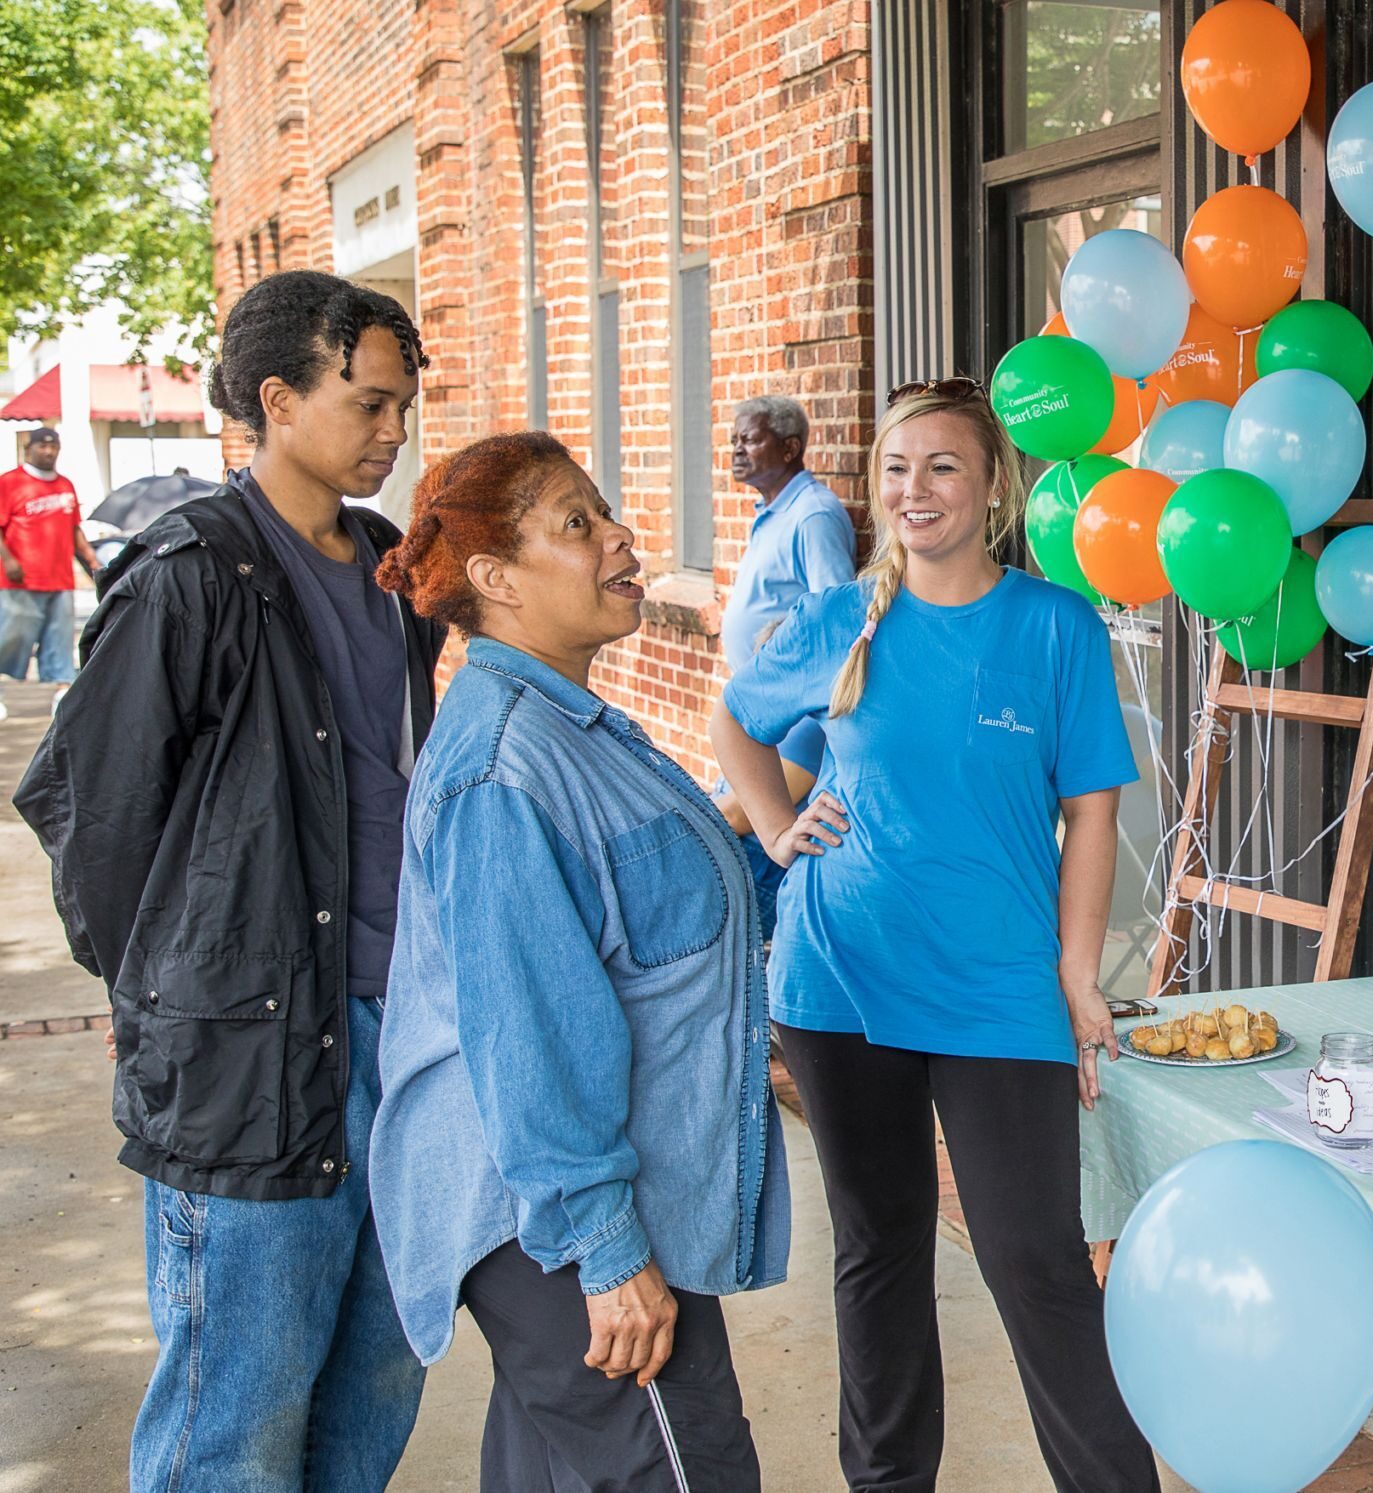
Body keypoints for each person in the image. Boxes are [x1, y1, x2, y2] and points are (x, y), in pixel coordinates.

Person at [14, 270, 440, 1492]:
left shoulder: (395, 572)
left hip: (398, 1039)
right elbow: (91, 808)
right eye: (367, 404)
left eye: (403, 406)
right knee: (236, 1417)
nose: (392, 432)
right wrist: (155, 996)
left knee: (377, 1380)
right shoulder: (191, 571)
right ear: (277, 399)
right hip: (249, 1055)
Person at [711, 375, 1157, 1493]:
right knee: (880, 1254)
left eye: (943, 465)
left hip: (1001, 987)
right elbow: (733, 718)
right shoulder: (839, 619)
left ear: (990, 483)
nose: (917, 489)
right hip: (840, 980)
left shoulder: (1054, 627)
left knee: (1037, 1261)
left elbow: (1092, 815)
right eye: (898, 468)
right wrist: (775, 827)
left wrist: (1076, 972)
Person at [371, 432, 788, 1492]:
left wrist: (759, 839)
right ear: (495, 580)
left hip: (584, 1198)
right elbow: (530, 1028)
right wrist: (608, 1253)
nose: (619, 536)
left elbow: (636, 919)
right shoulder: (506, 767)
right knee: (684, 1471)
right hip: (554, 1218)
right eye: (576, 523)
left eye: (604, 513)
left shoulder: (573, 729)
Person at [715, 395, 858, 899]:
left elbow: (837, 619)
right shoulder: (775, 512)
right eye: (735, 439)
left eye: (750, 439)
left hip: (797, 730)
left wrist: (780, 632)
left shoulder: (812, 515)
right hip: (762, 723)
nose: (736, 450)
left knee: (745, 861)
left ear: (791, 447)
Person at [0, 425, 102, 681]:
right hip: (20, 579)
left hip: (60, 579)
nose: (49, 452)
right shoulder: (10, 482)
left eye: (54, 447)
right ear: (28, 449)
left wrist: (92, 561)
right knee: (13, 639)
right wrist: (8, 559)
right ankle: (7, 687)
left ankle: (58, 693)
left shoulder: (65, 484)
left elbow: (73, 528)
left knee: (59, 643)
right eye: (42, 446)